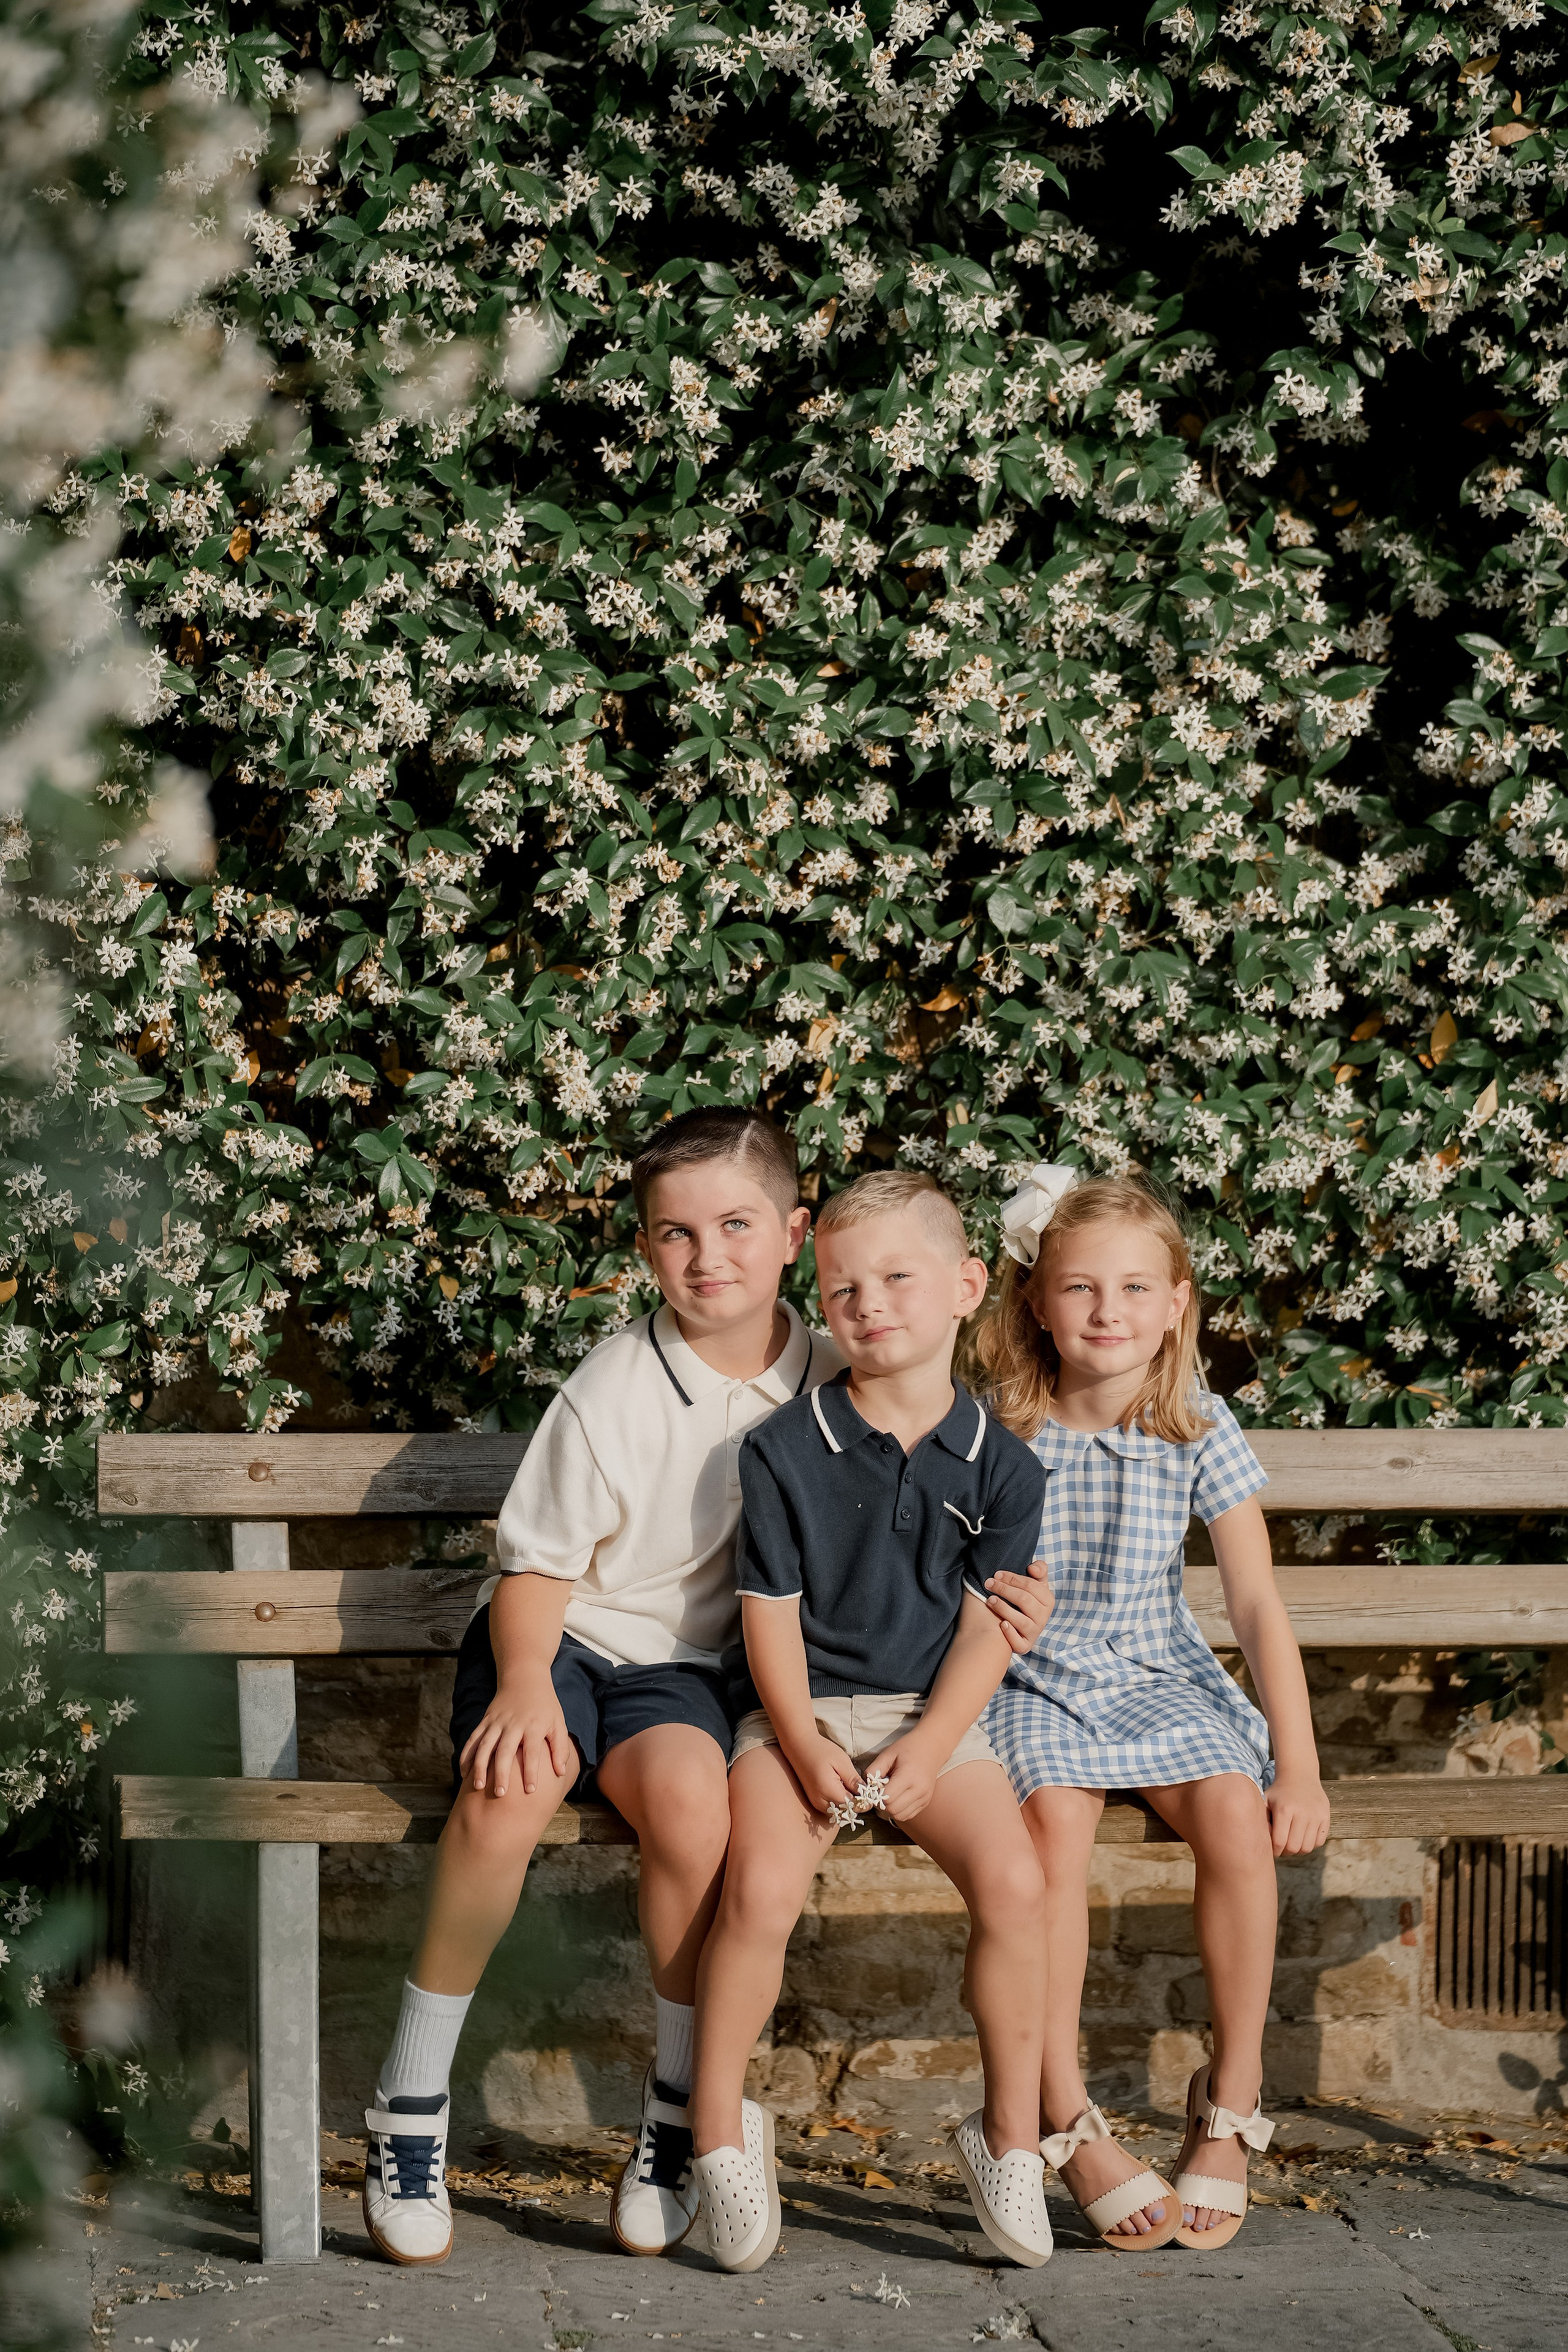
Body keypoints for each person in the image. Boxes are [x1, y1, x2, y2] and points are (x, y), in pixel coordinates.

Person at [361, 1112, 1053, 2269]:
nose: (706, 1258)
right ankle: (411, 2094)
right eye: (674, 1235)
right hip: (565, 1638)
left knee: (695, 1809)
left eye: (735, 1226)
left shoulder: (841, 1354)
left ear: (791, 1236)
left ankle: (681, 2118)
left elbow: (955, 1460)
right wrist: (526, 1681)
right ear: (645, 1252)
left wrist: (1010, 1603)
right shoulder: (615, 1389)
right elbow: (535, 1570)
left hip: (689, 1670)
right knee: (513, 1789)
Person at [687, 1170, 1057, 2275]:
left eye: (898, 1277)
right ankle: (717, 2132)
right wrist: (801, 1744)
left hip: (935, 1715)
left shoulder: (1005, 1462)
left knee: (1019, 1884)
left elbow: (994, 1624)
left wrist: (934, 1747)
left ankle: (1011, 2141)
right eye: (842, 1288)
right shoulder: (784, 1449)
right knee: (756, 1890)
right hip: (797, 1709)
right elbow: (770, 1620)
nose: (869, 1303)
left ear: (966, 1286)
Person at [970, 1164, 1332, 2254]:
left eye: (1136, 1289)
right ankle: (1065, 2116)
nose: (1108, 1313)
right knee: (1053, 1837)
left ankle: (1230, 2101)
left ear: (1178, 1303)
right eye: (1081, 1289)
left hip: (1159, 1673)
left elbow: (1259, 1606)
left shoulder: (1198, 1423)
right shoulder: (1003, 1429)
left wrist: (1300, 1767)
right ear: (1036, 1298)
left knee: (1234, 1814)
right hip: (1033, 1676)